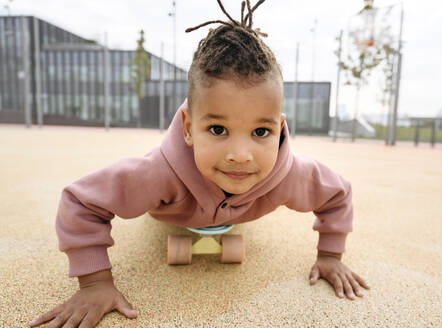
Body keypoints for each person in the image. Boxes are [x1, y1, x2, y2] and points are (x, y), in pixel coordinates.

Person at [29, 1, 370, 327]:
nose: (241, 154)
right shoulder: (157, 175)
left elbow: (338, 193)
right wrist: (94, 283)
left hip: (232, 220)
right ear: (190, 128)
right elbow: (81, 200)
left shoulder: (290, 175)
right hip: (172, 215)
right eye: (218, 129)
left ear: (279, 129)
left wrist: (329, 255)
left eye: (260, 131)